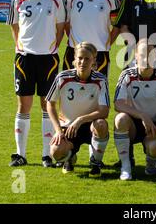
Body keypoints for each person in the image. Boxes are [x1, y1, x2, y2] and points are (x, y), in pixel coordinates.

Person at [6, 0, 66, 168]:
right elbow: (14, 26)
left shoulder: (56, 1)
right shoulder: (18, 0)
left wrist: (51, 47)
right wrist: (20, 46)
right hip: (24, 59)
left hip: (48, 59)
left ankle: (46, 155)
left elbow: (60, 29)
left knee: (46, 105)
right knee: (23, 105)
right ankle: (20, 154)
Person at [113, 38, 156, 180]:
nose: (146, 59)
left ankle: (151, 164)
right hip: (133, 124)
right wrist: (142, 115)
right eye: (142, 56)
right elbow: (118, 104)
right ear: (135, 56)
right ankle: (126, 166)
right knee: (120, 119)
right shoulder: (127, 75)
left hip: (155, 125)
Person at [46, 42, 110, 176]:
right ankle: (69, 158)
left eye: (87, 59)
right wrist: (58, 131)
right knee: (55, 152)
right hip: (68, 127)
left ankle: (96, 162)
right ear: (74, 59)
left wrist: (81, 120)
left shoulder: (100, 80)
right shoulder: (62, 77)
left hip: (91, 126)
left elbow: (104, 111)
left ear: (93, 61)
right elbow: (50, 104)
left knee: (102, 124)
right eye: (80, 58)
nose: (83, 62)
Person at [63, 0, 120, 76]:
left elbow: (116, 26)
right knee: (69, 90)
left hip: (100, 53)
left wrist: (106, 43)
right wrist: (75, 41)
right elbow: (66, 23)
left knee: (98, 92)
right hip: (74, 52)